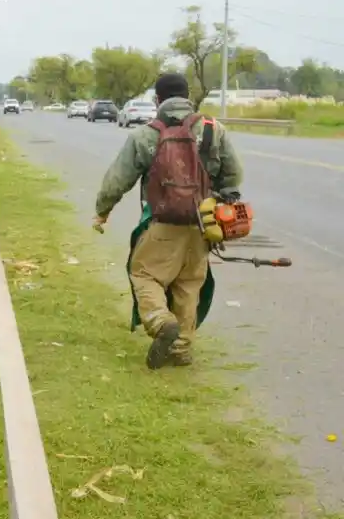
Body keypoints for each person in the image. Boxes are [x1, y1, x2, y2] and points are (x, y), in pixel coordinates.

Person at [92, 73, 243, 369]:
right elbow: (233, 175)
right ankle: (181, 349)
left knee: (145, 274)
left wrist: (102, 211)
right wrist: (221, 200)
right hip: (202, 224)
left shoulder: (145, 134)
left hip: (161, 222)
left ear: (158, 100)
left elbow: (116, 180)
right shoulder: (213, 129)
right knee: (188, 284)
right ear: (188, 97)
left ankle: (160, 322)